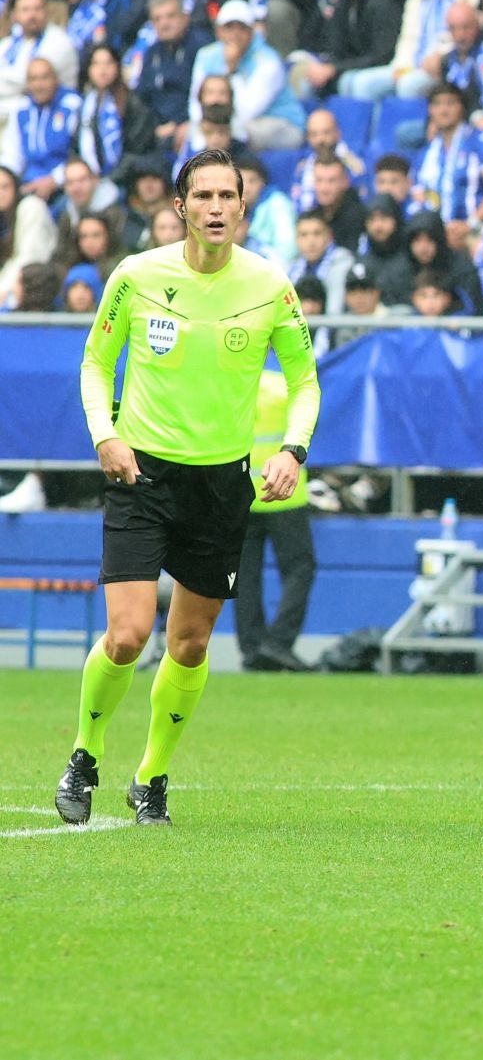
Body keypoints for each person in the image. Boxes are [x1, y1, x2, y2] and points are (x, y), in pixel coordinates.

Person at [55, 149, 320, 828]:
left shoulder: (269, 284)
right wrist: (104, 434)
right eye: (201, 195)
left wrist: (294, 448)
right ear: (180, 207)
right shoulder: (137, 276)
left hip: (221, 484)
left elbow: (304, 381)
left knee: (191, 645)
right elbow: (94, 363)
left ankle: (151, 776)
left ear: (242, 205)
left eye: (226, 196)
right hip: (140, 473)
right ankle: (85, 754)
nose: (215, 207)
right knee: (127, 633)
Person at [233, 369, 316, 674]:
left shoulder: (234, 383)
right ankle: (279, 642)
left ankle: (252, 649)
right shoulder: (288, 385)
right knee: (300, 568)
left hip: (241, 492)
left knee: (245, 575)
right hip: (284, 494)